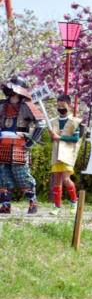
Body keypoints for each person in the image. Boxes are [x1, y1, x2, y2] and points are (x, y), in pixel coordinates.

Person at [0, 76, 45, 214]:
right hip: (2, 144)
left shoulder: (27, 106)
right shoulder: (1, 105)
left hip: (19, 145)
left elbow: (41, 123)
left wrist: (32, 140)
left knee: (22, 175)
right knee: (3, 175)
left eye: (10, 87)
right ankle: (5, 205)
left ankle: (33, 202)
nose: (7, 90)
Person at [47, 94, 82, 216]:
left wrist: (59, 137)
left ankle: (74, 201)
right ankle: (57, 206)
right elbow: (53, 140)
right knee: (56, 180)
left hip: (68, 154)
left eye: (63, 106)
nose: (61, 108)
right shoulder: (53, 122)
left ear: (70, 106)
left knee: (66, 179)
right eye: (59, 106)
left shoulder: (74, 121)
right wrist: (52, 136)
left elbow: (76, 138)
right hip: (57, 153)